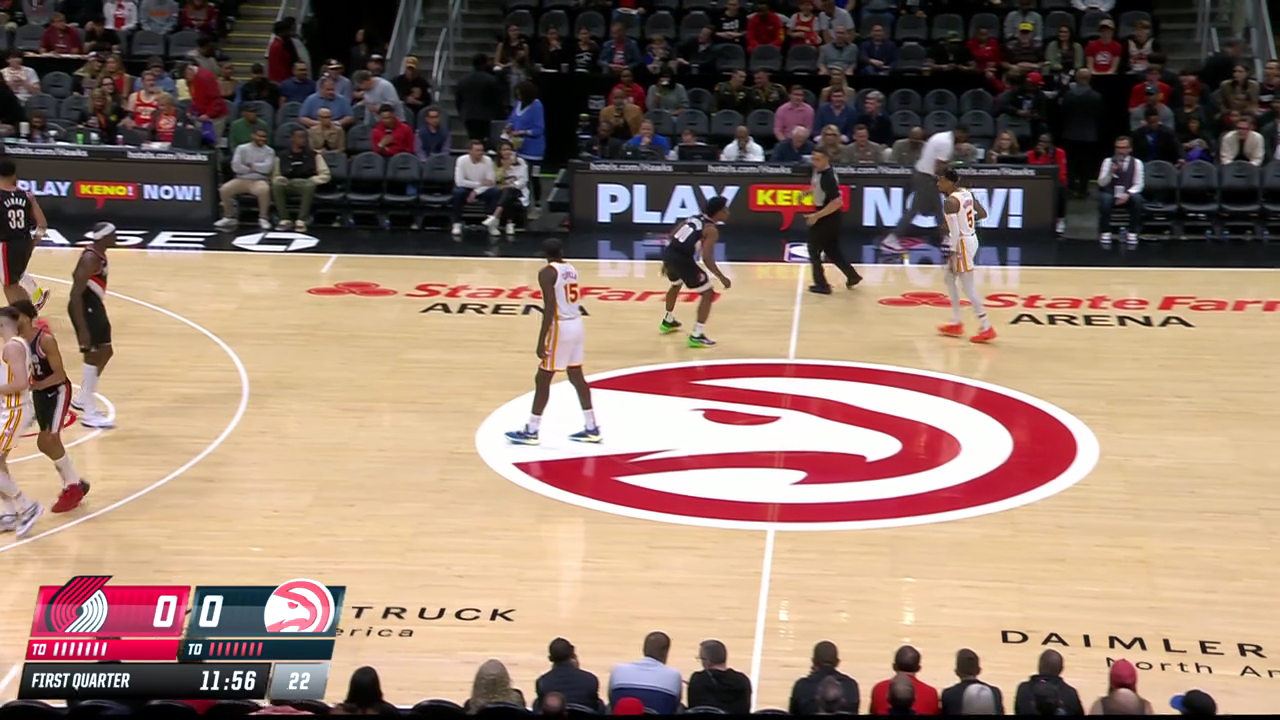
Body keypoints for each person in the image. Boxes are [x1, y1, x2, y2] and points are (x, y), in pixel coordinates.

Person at [505, 238, 599, 446]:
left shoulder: (547, 272)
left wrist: (541, 340)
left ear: (544, 254)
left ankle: (532, 430)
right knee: (576, 375)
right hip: (577, 324)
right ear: (562, 251)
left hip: (561, 326)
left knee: (543, 378)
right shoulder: (571, 269)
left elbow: (549, 307)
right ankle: (592, 426)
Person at [14, 300, 89, 513]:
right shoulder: (18, 342)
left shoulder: (45, 340)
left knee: (50, 439)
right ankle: (75, 481)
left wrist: (36, 384)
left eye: (15, 317)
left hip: (57, 391)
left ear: (26, 317)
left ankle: (72, 487)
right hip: (40, 394)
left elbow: (60, 375)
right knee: (43, 443)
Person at [659, 197, 732, 348]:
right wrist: (721, 277)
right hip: (682, 259)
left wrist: (666, 260)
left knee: (675, 284)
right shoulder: (711, 230)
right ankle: (697, 335)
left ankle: (668, 320)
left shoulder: (693, 218)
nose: (728, 212)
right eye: (725, 209)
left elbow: (672, 235)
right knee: (708, 294)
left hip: (669, 253)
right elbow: (707, 258)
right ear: (718, 212)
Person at [935, 167, 995, 344]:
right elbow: (982, 214)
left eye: (941, 180)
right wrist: (965, 222)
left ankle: (986, 326)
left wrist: (951, 252)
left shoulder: (950, 202)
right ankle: (956, 322)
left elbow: (954, 233)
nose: (938, 183)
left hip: (960, 244)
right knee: (948, 278)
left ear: (950, 182)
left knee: (968, 287)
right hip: (972, 238)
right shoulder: (966, 193)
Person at [881, 128, 962, 252]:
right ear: (960, 133)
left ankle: (946, 239)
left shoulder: (940, 136)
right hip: (927, 177)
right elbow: (939, 167)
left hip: (923, 174)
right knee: (916, 209)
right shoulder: (946, 143)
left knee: (938, 208)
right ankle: (891, 239)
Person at [68, 222, 116, 429]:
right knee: (93, 355)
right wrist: (83, 329)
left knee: (106, 351)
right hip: (84, 307)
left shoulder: (98, 254)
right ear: (104, 237)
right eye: (113, 235)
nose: (116, 238)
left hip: (94, 306)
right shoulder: (90, 258)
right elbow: (75, 295)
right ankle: (89, 412)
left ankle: (82, 397)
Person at [0, 305, 40, 537]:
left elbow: (21, 383)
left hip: (14, 411)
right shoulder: (17, 344)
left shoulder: (12, 347)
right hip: (9, 410)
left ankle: (27, 506)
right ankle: (9, 514)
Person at [804, 146, 861, 295]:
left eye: (818, 159)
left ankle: (822, 285)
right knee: (832, 250)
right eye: (813, 159)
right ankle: (852, 276)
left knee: (813, 249)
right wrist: (808, 192)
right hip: (827, 216)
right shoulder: (818, 171)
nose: (815, 162)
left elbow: (837, 202)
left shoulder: (828, 177)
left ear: (826, 159)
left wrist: (816, 216)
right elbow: (817, 186)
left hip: (828, 217)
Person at [0, 159, 49, 309]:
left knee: (10, 286)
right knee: (15, 280)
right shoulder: (27, 196)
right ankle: (33, 301)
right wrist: (33, 242)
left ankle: (22, 317)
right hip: (24, 243)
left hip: (6, 245)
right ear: (14, 175)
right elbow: (42, 225)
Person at [272, 128, 331, 232]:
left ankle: (301, 220)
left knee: (309, 186)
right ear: (292, 138)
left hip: (305, 183)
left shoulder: (314, 155)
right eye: (300, 137)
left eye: (304, 137)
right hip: (288, 183)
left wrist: (313, 180)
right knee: (276, 185)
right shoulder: (282, 155)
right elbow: (275, 175)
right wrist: (279, 178)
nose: (303, 140)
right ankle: (284, 219)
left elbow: (326, 174)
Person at [215, 128, 275, 231]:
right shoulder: (242, 148)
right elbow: (236, 167)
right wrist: (256, 168)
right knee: (225, 189)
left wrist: (252, 166)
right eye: (260, 136)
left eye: (264, 137)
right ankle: (229, 217)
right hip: (241, 179)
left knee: (264, 190)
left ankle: (263, 218)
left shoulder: (269, 151)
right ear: (253, 136)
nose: (262, 139)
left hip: (259, 180)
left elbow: (267, 169)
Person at [1097, 135, 1144, 247]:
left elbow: (1139, 184)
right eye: (1118, 147)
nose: (1120, 151)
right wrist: (1110, 173)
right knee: (1105, 199)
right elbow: (1101, 183)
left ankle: (1132, 232)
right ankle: (1105, 232)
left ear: (1130, 149)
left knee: (1138, 199)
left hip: (1127, 194)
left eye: (1123, 148)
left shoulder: (1137, 163)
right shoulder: (1108, 161)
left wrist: (1127, 194)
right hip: (1111, 193)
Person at [451, 139, 500, 238]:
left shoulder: (488, 160)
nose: (480, 153)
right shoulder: (461, 160)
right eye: (477, 150)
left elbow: (491, 182)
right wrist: (479, 184)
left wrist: (475, 192)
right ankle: (457, 223)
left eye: (482, 150)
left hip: (482, 190)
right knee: (458, 192)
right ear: (470, 151)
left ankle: (491, 224)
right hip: (467, 188)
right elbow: (459, 182)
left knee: (495, 192)